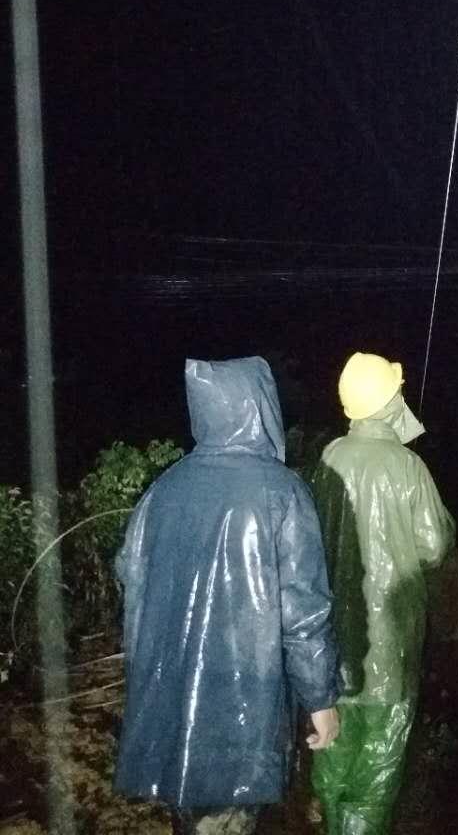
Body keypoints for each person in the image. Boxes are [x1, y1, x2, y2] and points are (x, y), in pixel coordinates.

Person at [114, 357, 340, 835]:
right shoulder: (282, 492)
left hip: (170, 700)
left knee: (191, 818)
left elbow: (131, 585)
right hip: (244, 703)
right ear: (261, 407)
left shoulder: (162, 490)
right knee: (229, 817)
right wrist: (320, 698)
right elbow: (303, 609)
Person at [310, 351, 455, 835]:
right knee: (379, 762)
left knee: (333, 751)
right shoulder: (407, 465)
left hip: (333, 646)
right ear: (389, 400)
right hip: (390, 645)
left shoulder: (329, 457)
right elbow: (435, 544)